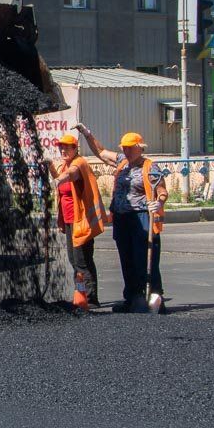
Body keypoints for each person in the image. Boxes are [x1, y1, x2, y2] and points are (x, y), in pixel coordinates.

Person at [76, 125, 168, 313]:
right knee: (127, 260)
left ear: (139, 148)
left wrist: (158, 203)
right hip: (122, 219)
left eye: (129, 148)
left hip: (141, 217)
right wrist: (87, 134)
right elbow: (101, 152)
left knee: (144, 259)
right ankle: (132, 298)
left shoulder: (150, 167)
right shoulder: (121, 162)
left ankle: (154, 298)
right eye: (124, 148)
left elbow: (162, 191)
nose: (126, 151)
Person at [48, 132, 107, 306]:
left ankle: (90, 297)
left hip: (81, 220)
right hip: (68, 220)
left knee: (82, 260)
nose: (63, 150)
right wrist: (50, 165)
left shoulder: (78, 163)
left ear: (75, 148)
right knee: (74, 260)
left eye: (67, 147)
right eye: (61, 147)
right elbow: (59, 177)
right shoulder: (64, 165)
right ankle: (80, 293)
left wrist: (59, 178)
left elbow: (72, 175)